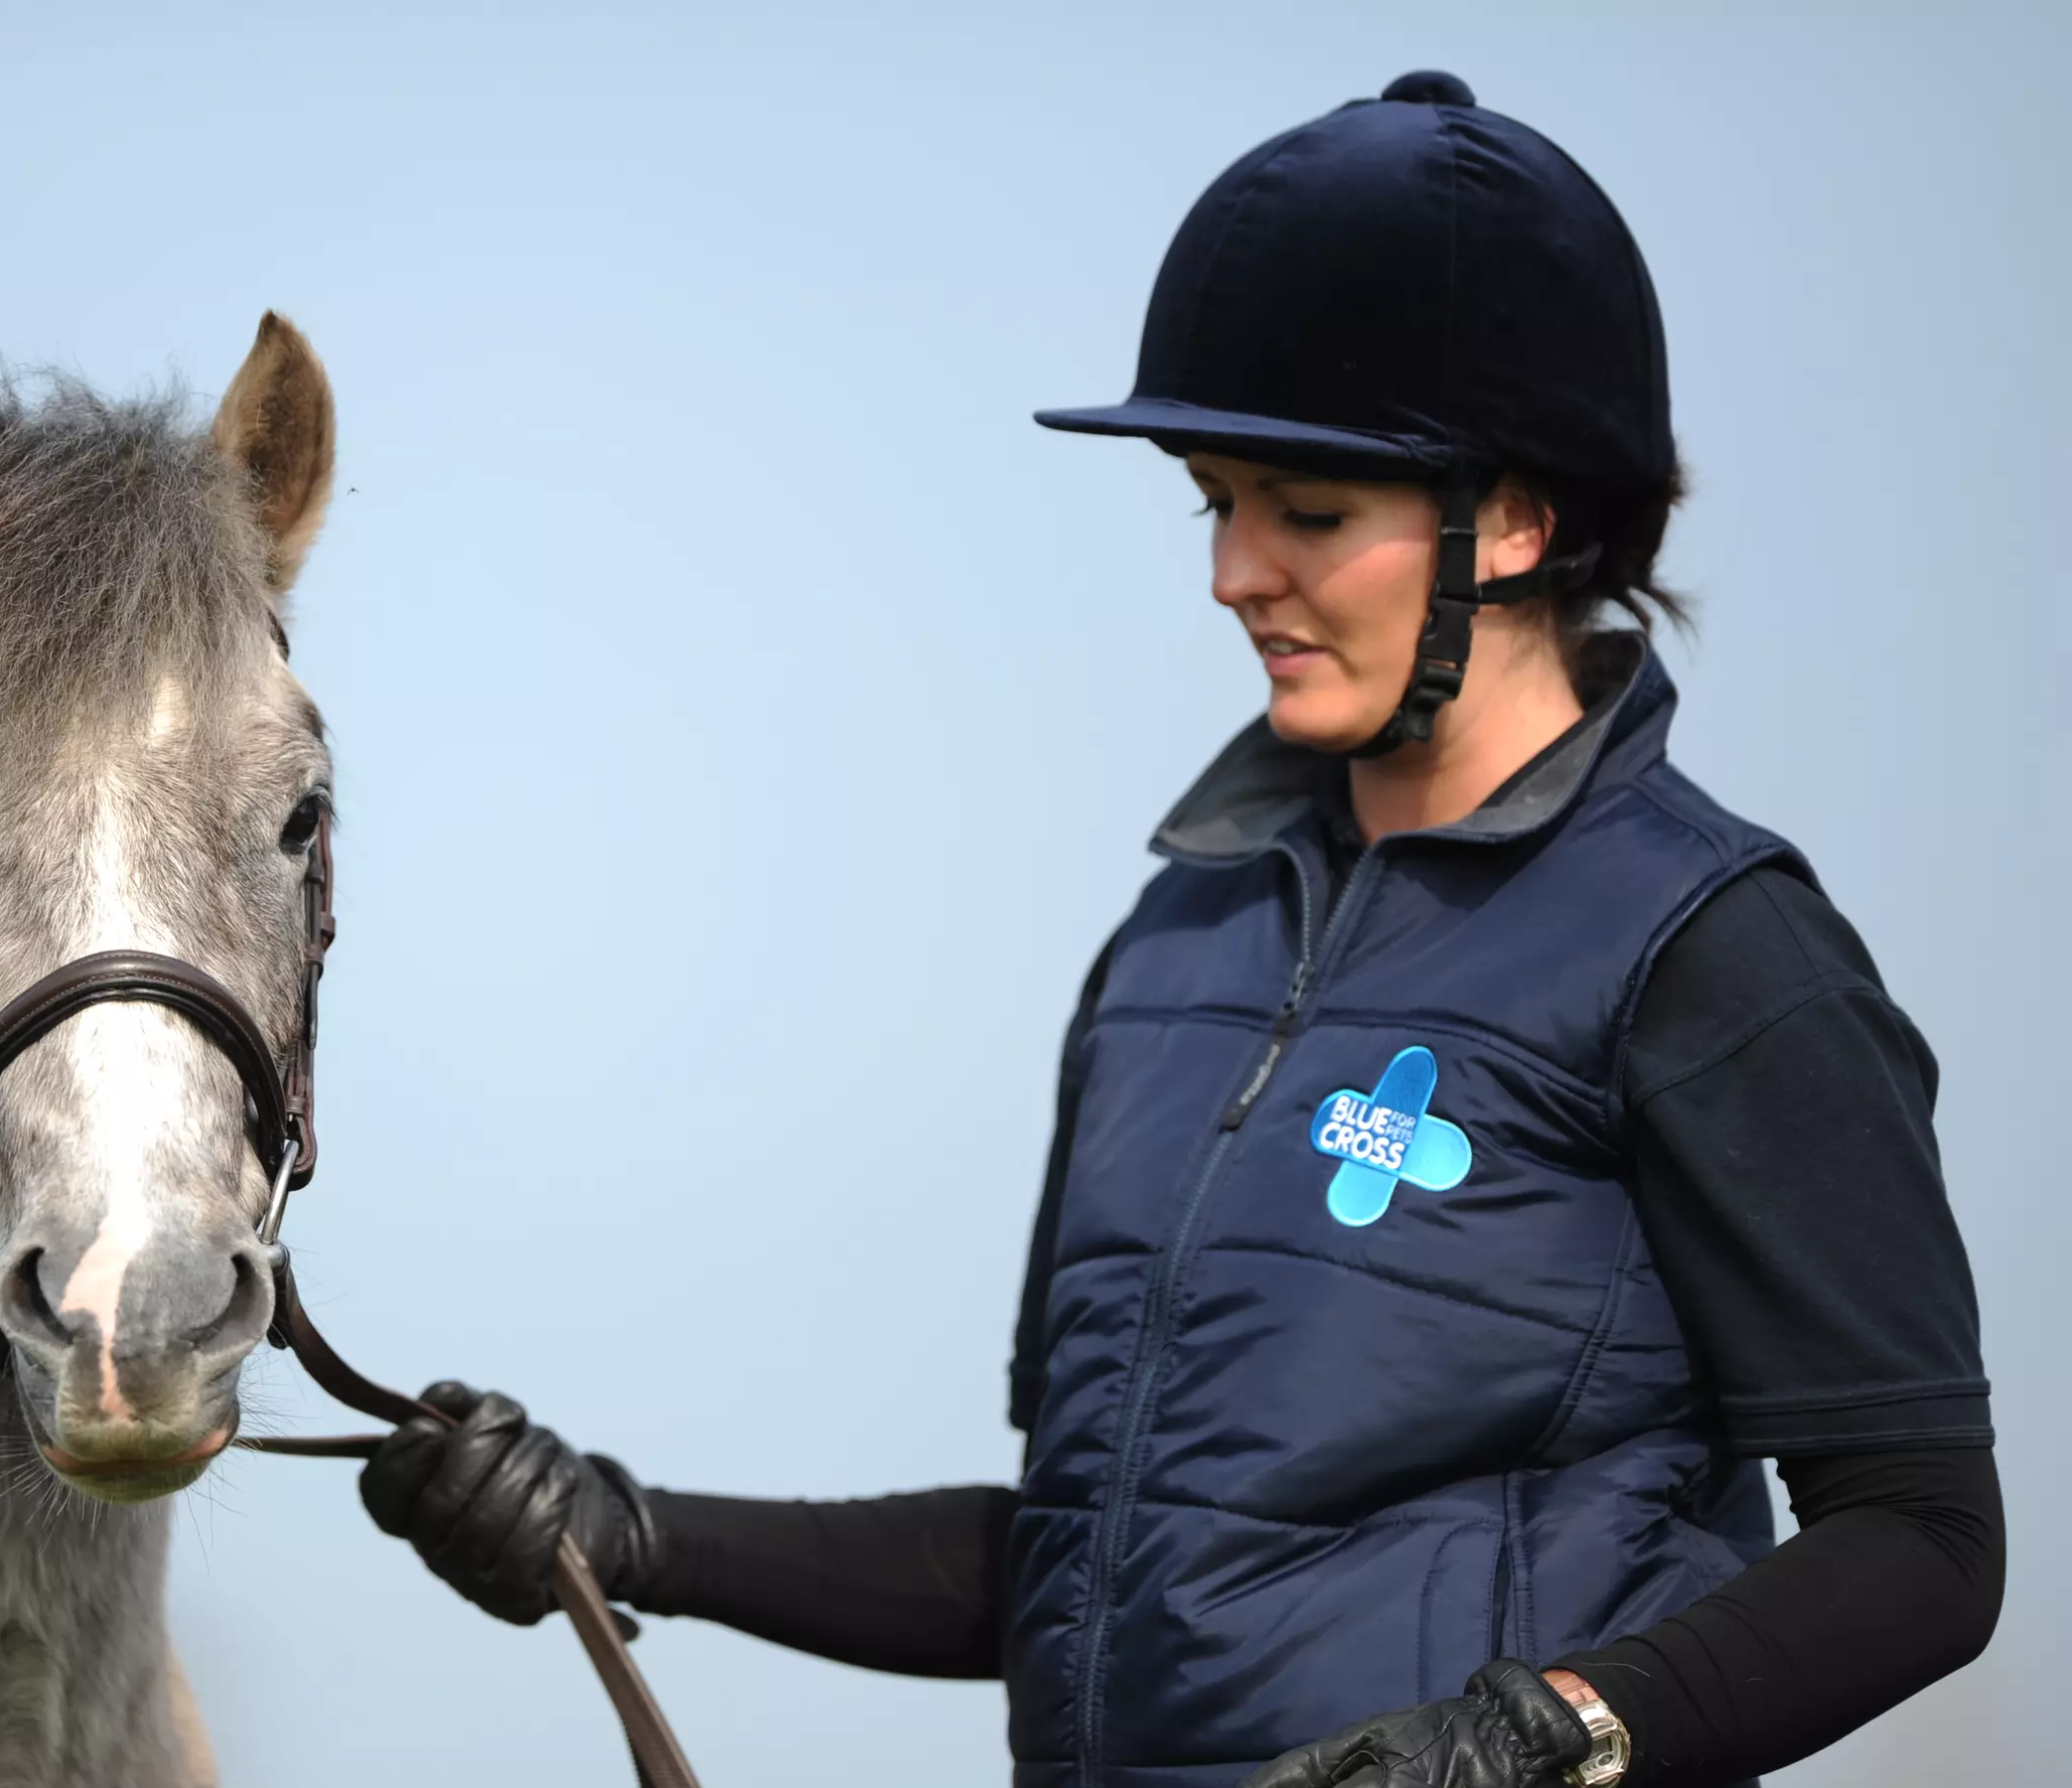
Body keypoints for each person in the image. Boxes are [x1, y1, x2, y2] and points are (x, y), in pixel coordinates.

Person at [355, 72, 2000, 1788]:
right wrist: (618, 1535)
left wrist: (1541, 1744)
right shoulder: (1171, 952)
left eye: (1307, 513)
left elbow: (1927, 1548)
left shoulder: (1714, 948)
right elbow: (1083, 1558)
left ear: (1516, 518)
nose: (1233, 573)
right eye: (1215, 501)